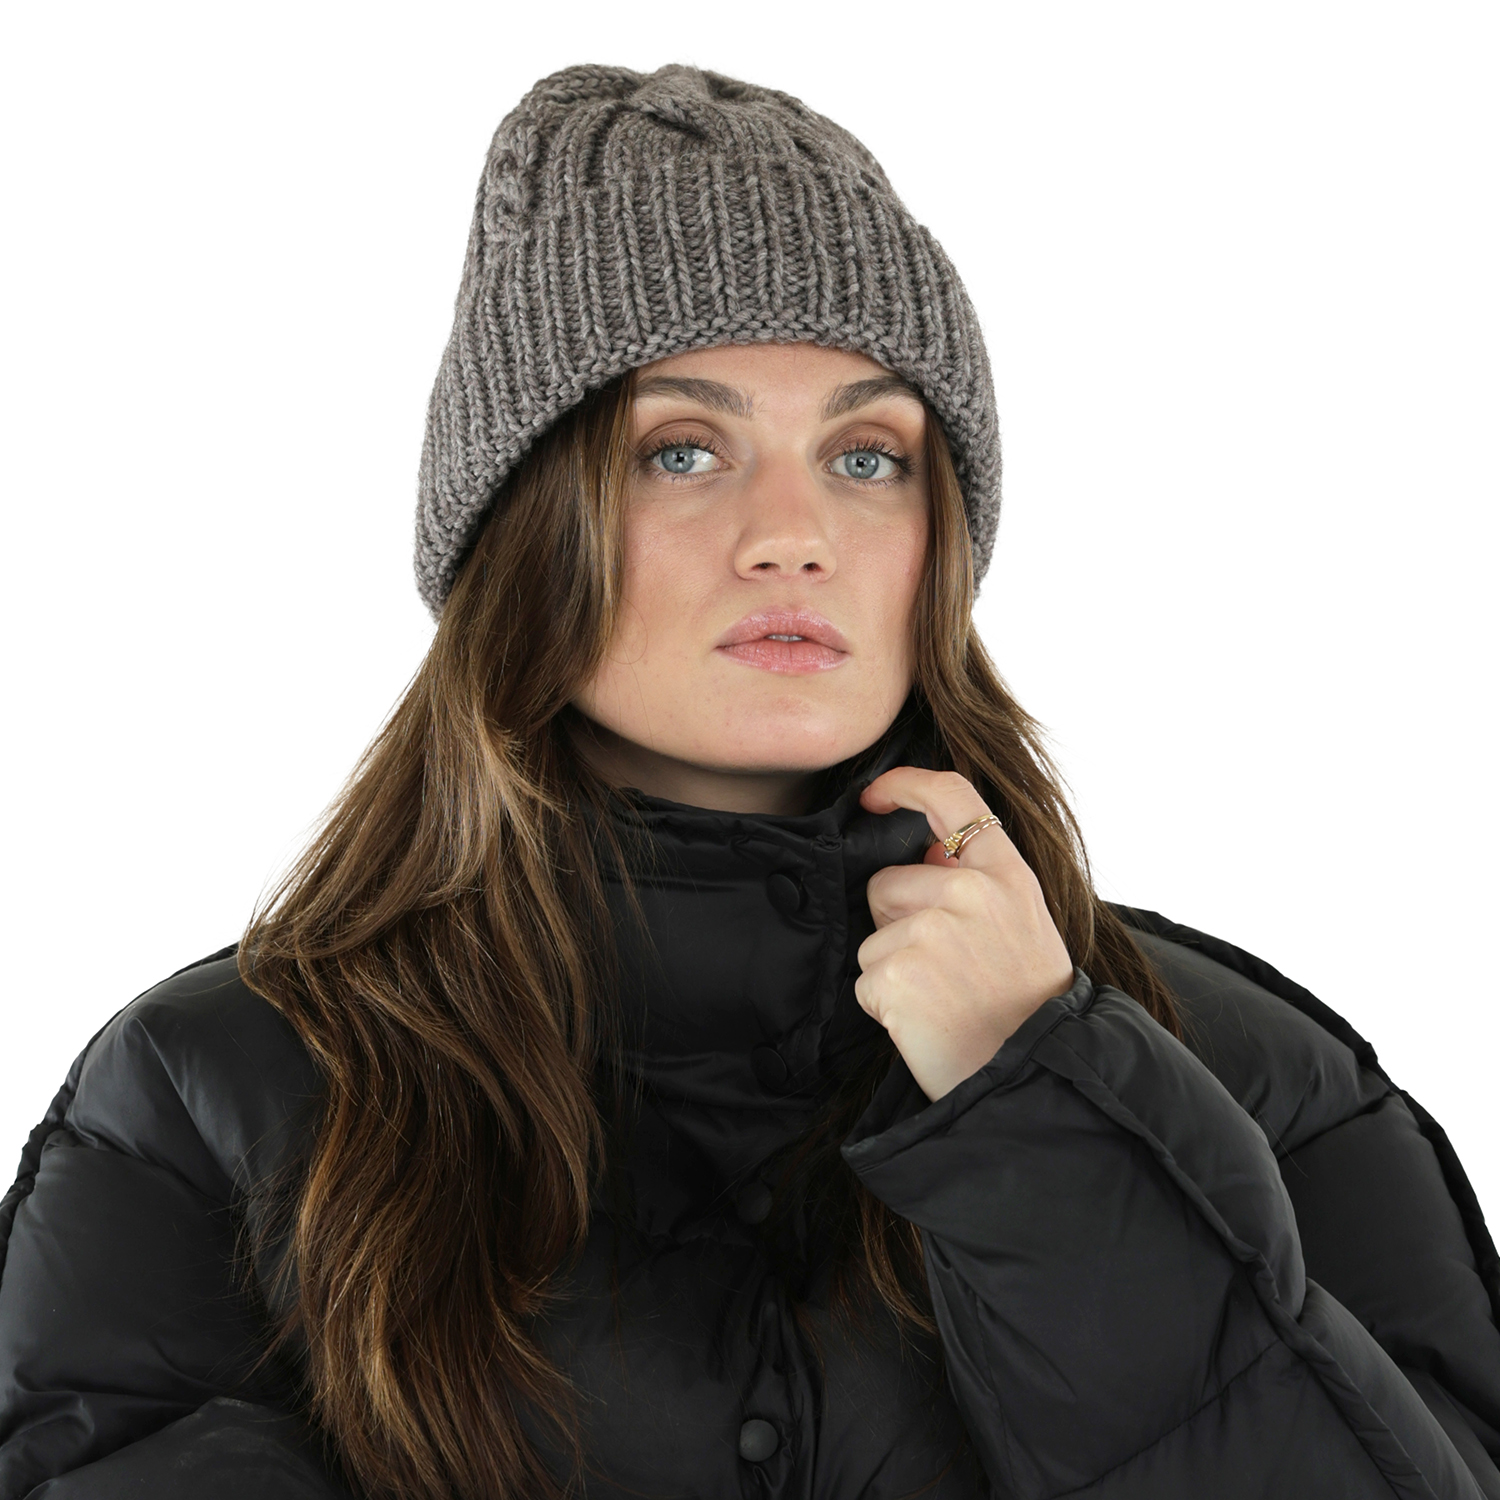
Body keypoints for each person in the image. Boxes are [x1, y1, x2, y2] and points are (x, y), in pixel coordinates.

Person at [1, 60, 1497, 1500]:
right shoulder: (214, 1103)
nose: (795, 534)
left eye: (868, 456)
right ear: (521, 526)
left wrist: (1044, 1103)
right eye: (681, 450)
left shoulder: (1254, 1085)